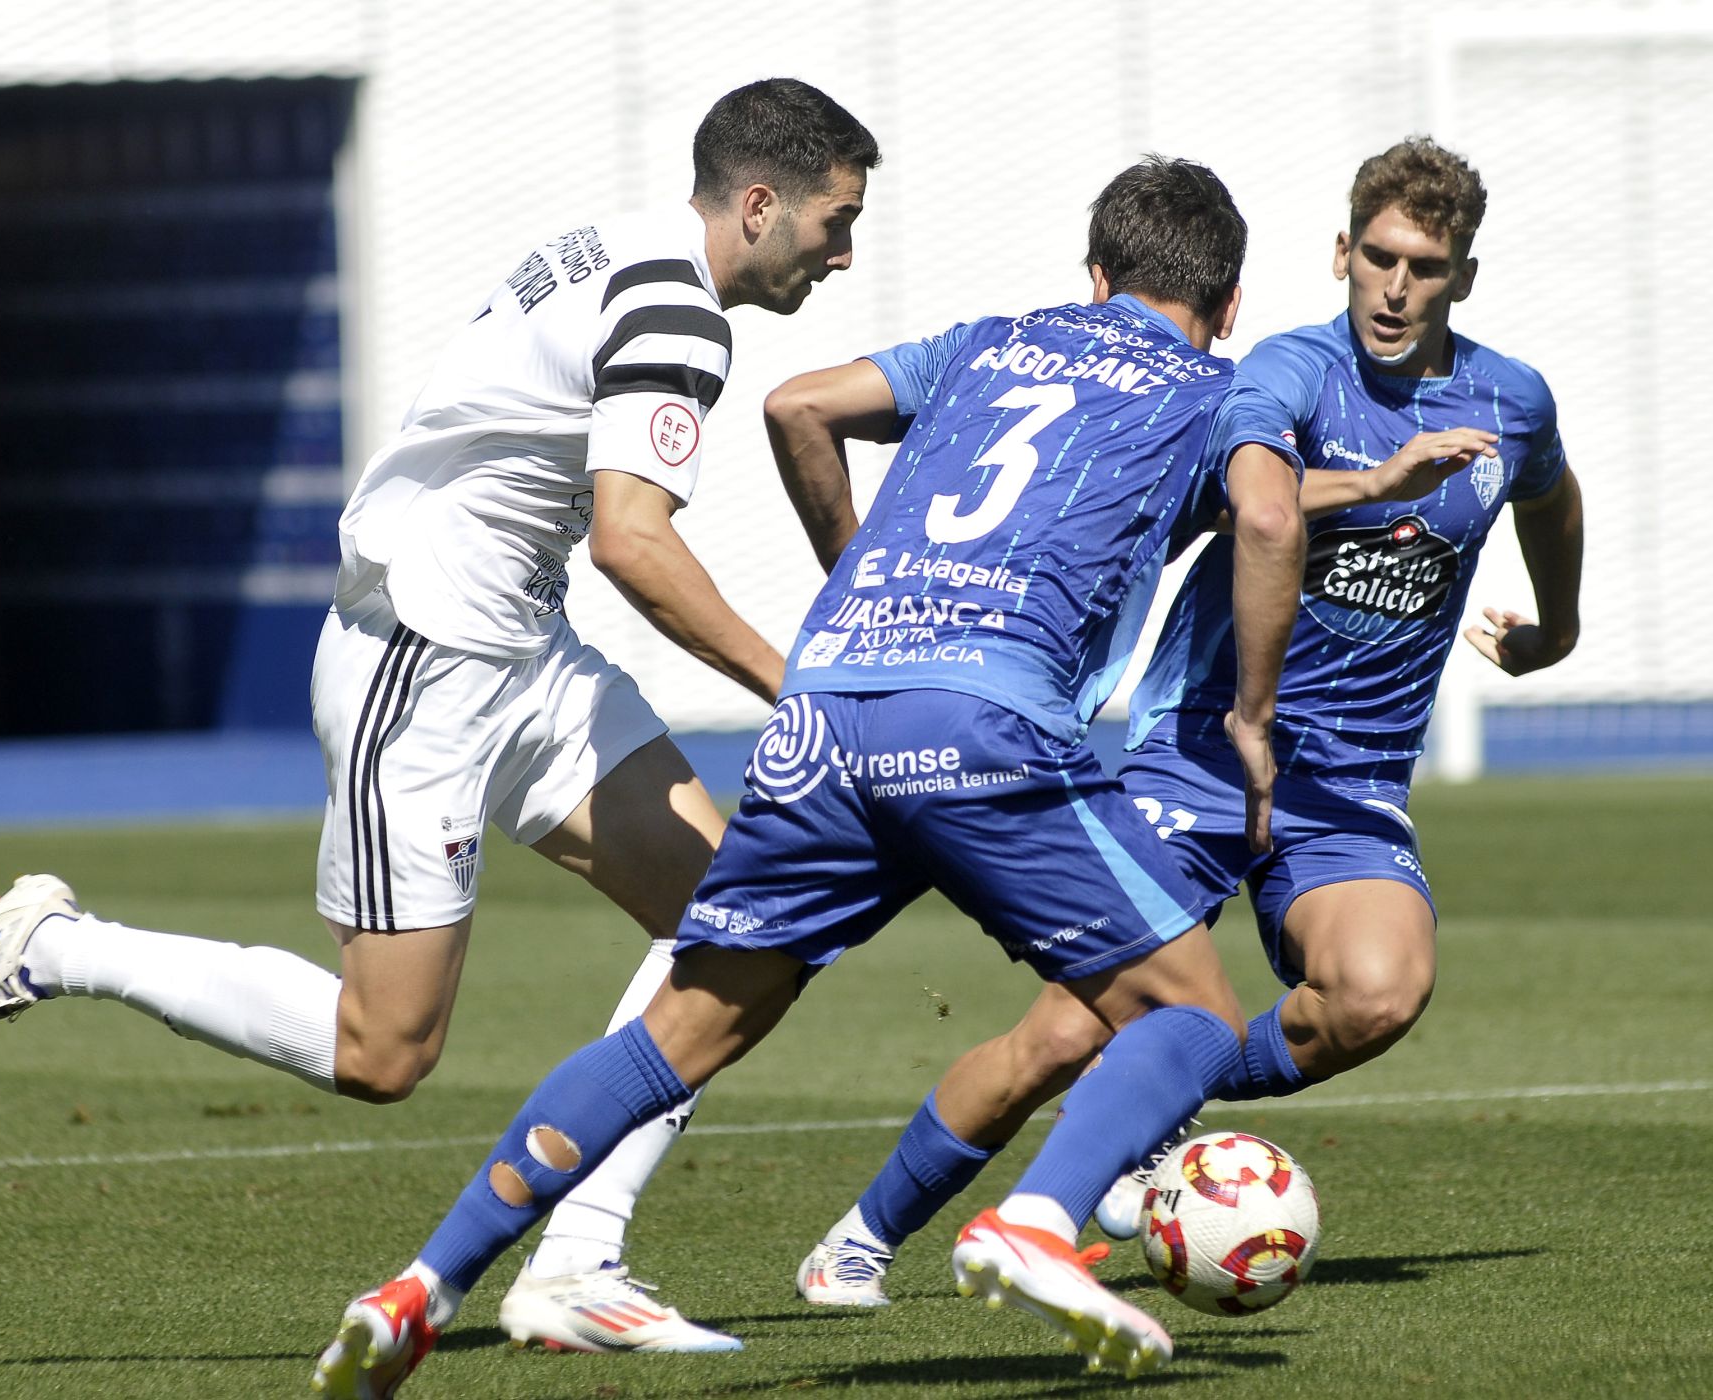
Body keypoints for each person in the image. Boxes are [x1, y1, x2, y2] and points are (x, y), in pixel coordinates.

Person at [0, 77, 880, 1354]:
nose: (843, 253)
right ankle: (55, 947)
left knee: (742, 919)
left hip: (520, 647)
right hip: (421, 659)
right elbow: (635, 543)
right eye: (835, 221)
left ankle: (577, 1261)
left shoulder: (624, 243)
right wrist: (799, 686)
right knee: (383, 1050)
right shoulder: (677, 310)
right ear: (760, 203)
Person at [306, 156, 1306, 1396]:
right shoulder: (1223, 384)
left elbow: (797, 406)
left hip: (827, 707)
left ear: (1095, 276)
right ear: (1232, 299)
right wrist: (1252, 717)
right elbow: (1269, 521)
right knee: (1192, 1013)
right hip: (984, 715)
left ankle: (425, 1282)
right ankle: (1036, 1222)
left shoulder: (991, 341)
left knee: (686, 1024)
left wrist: (858, 599)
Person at [792, 135, 1583, 1307]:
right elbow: (1256, 497)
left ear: (1463, 273)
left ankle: (1160, 1108)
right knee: (1063, 1032)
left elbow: (1550, 492)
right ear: (1340, 254)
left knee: (1376, 992)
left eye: (1426, 264)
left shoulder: (1508, 398)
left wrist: (1554, 632)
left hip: (1350, 777)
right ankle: (863, 1234)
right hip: (1206, 743)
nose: (1397, 286)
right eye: (1377, 258)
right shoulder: (1283, 376)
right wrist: (1370, 485)